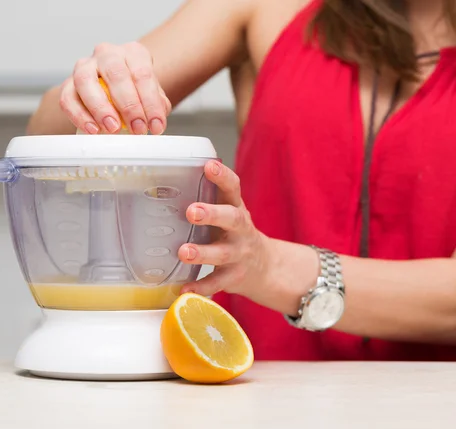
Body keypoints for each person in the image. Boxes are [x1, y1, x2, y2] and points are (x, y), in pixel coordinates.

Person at [27, 0, 456, 360]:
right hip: (240, 385)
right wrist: (98, 87)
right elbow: (43, 138)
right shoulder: (262, 7)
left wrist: (270, 267)